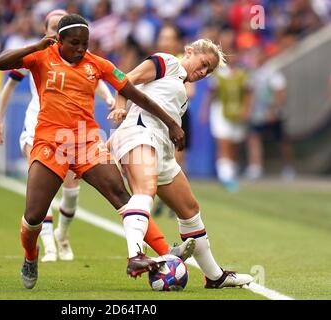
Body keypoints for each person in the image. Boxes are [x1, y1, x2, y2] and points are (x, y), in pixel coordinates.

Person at [0, 13, 191, 289]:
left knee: (123, 196)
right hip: (50, 144)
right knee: (35, 215)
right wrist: (35, 47)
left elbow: (136, 94)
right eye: (74, 43)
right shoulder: (40, 57)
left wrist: (171, 123)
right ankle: (31, 254)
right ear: (58, 40)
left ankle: (163, 255)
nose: (80, 49)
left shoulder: (97, 64)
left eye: (85, 43)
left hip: (87, 143)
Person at [108, 39, 254, 288]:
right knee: (145, 191)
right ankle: (135, 256)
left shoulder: (182, 86)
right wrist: (120, 106)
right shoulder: (167, 62)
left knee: (190, 209)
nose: (203, 72)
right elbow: (124, 79)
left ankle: (214, 276)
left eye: (208, 71)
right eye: (204, 64)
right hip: (139, 132)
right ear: (189, 51)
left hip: (161, 145)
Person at [0, 9, 116, 263]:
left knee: (71, 190)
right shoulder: (37, 55)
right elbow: (9, 83)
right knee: (42, 190)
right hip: (37, 128)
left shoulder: (79, 58)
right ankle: (47, 245)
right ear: (48, 30)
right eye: (53, 26)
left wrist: (109, 98)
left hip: (71, 131)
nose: (55, 29)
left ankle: (62, 235)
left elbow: (96, 75)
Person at [151, 24, 194, 217]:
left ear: (177, 42)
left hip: (179, 115)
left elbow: (190, 90)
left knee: (176, 158)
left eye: (169, 37)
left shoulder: (180, 62)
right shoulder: (154, 61)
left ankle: (170, 199)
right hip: (156, 115)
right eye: (163, 37)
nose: (166, 41)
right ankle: (162, 197)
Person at [200, 49, 252, 192]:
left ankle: (230, 174)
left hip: (237, 114)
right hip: (220, 113)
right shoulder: (218, 75)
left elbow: (248, 93)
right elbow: (211, 94)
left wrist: (246, 110)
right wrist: (205, 111)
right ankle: (226, 178)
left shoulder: (243, 74)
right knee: (223, 144)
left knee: (234, 146)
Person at [244, 47, 295, 180]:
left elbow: (280, 92)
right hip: (258, 114)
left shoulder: (272, 73)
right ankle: (256, 167)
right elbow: (251, 94)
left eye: (256, 55)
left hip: (273, 113)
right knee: (254, 138)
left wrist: (273, 110)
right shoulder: (252, 73)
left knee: (282, 141)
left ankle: (288, 167)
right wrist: (248, 110)